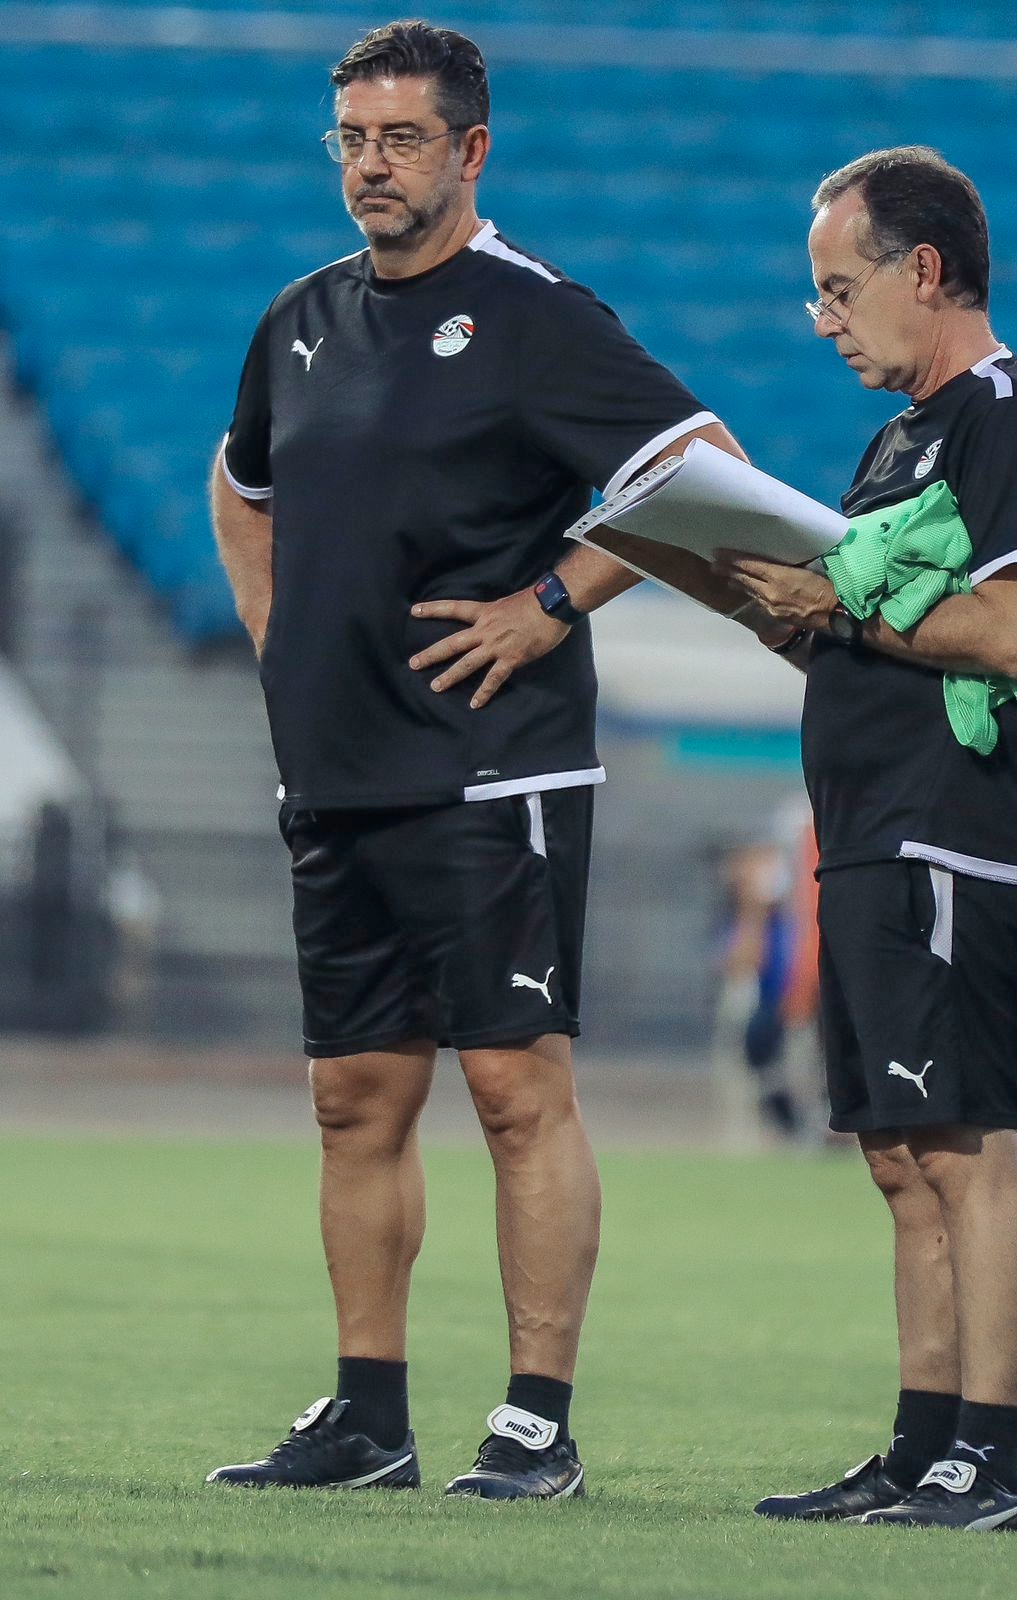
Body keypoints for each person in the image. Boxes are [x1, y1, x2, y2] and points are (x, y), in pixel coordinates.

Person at [207, 18, 747, 1498]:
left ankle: (534, 1423)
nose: (371, 167)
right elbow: (241, 483)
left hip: (493, 769)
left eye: (402, 140)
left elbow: (702, 470)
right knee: (353, 1102)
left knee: (515, 1088)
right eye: (353, 141)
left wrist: (550, 602)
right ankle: (367, 1418)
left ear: (471, 150)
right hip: (336, 768)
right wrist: (278, 636)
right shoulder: (300, 318)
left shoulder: (532, 315)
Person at [716, 146, 1017, 1531]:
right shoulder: (902, 442)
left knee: (964, 1142)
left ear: (923, 270)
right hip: (875, 830)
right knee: (900, 1150)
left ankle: (989, 1463)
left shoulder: (1010, 421)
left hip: (958, 830)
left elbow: (1014, 632)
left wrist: (834, 609)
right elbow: (871, 638)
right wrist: (751, 593)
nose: (823, 318)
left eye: (839, 288)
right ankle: (921, 1448)